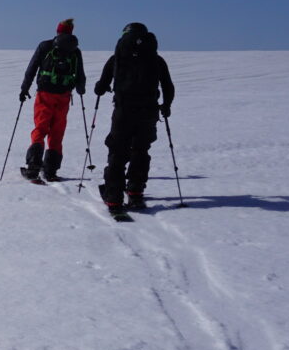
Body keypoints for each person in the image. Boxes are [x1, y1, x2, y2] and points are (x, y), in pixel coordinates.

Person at [93, 22, 175, 211]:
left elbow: (100, 86)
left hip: (123, 111)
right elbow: (168, 86)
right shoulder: (156, 59)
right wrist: (167, 106)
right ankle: (135, 192)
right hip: (149, 112)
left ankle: (113, 195)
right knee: (141, 150)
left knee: (118, 151)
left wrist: (102, 88)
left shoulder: (117, 58)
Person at [18, 18, 86, 181]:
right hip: (64, 95)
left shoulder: (45, 46)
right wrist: (80, 89)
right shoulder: (75, 50)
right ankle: (51, 170)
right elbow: (80, 74)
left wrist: (24, 88)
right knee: (57, 131)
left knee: (40, 128)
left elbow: (32, 68)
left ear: (58, 30)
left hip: (45, 94)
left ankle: (34, 166)